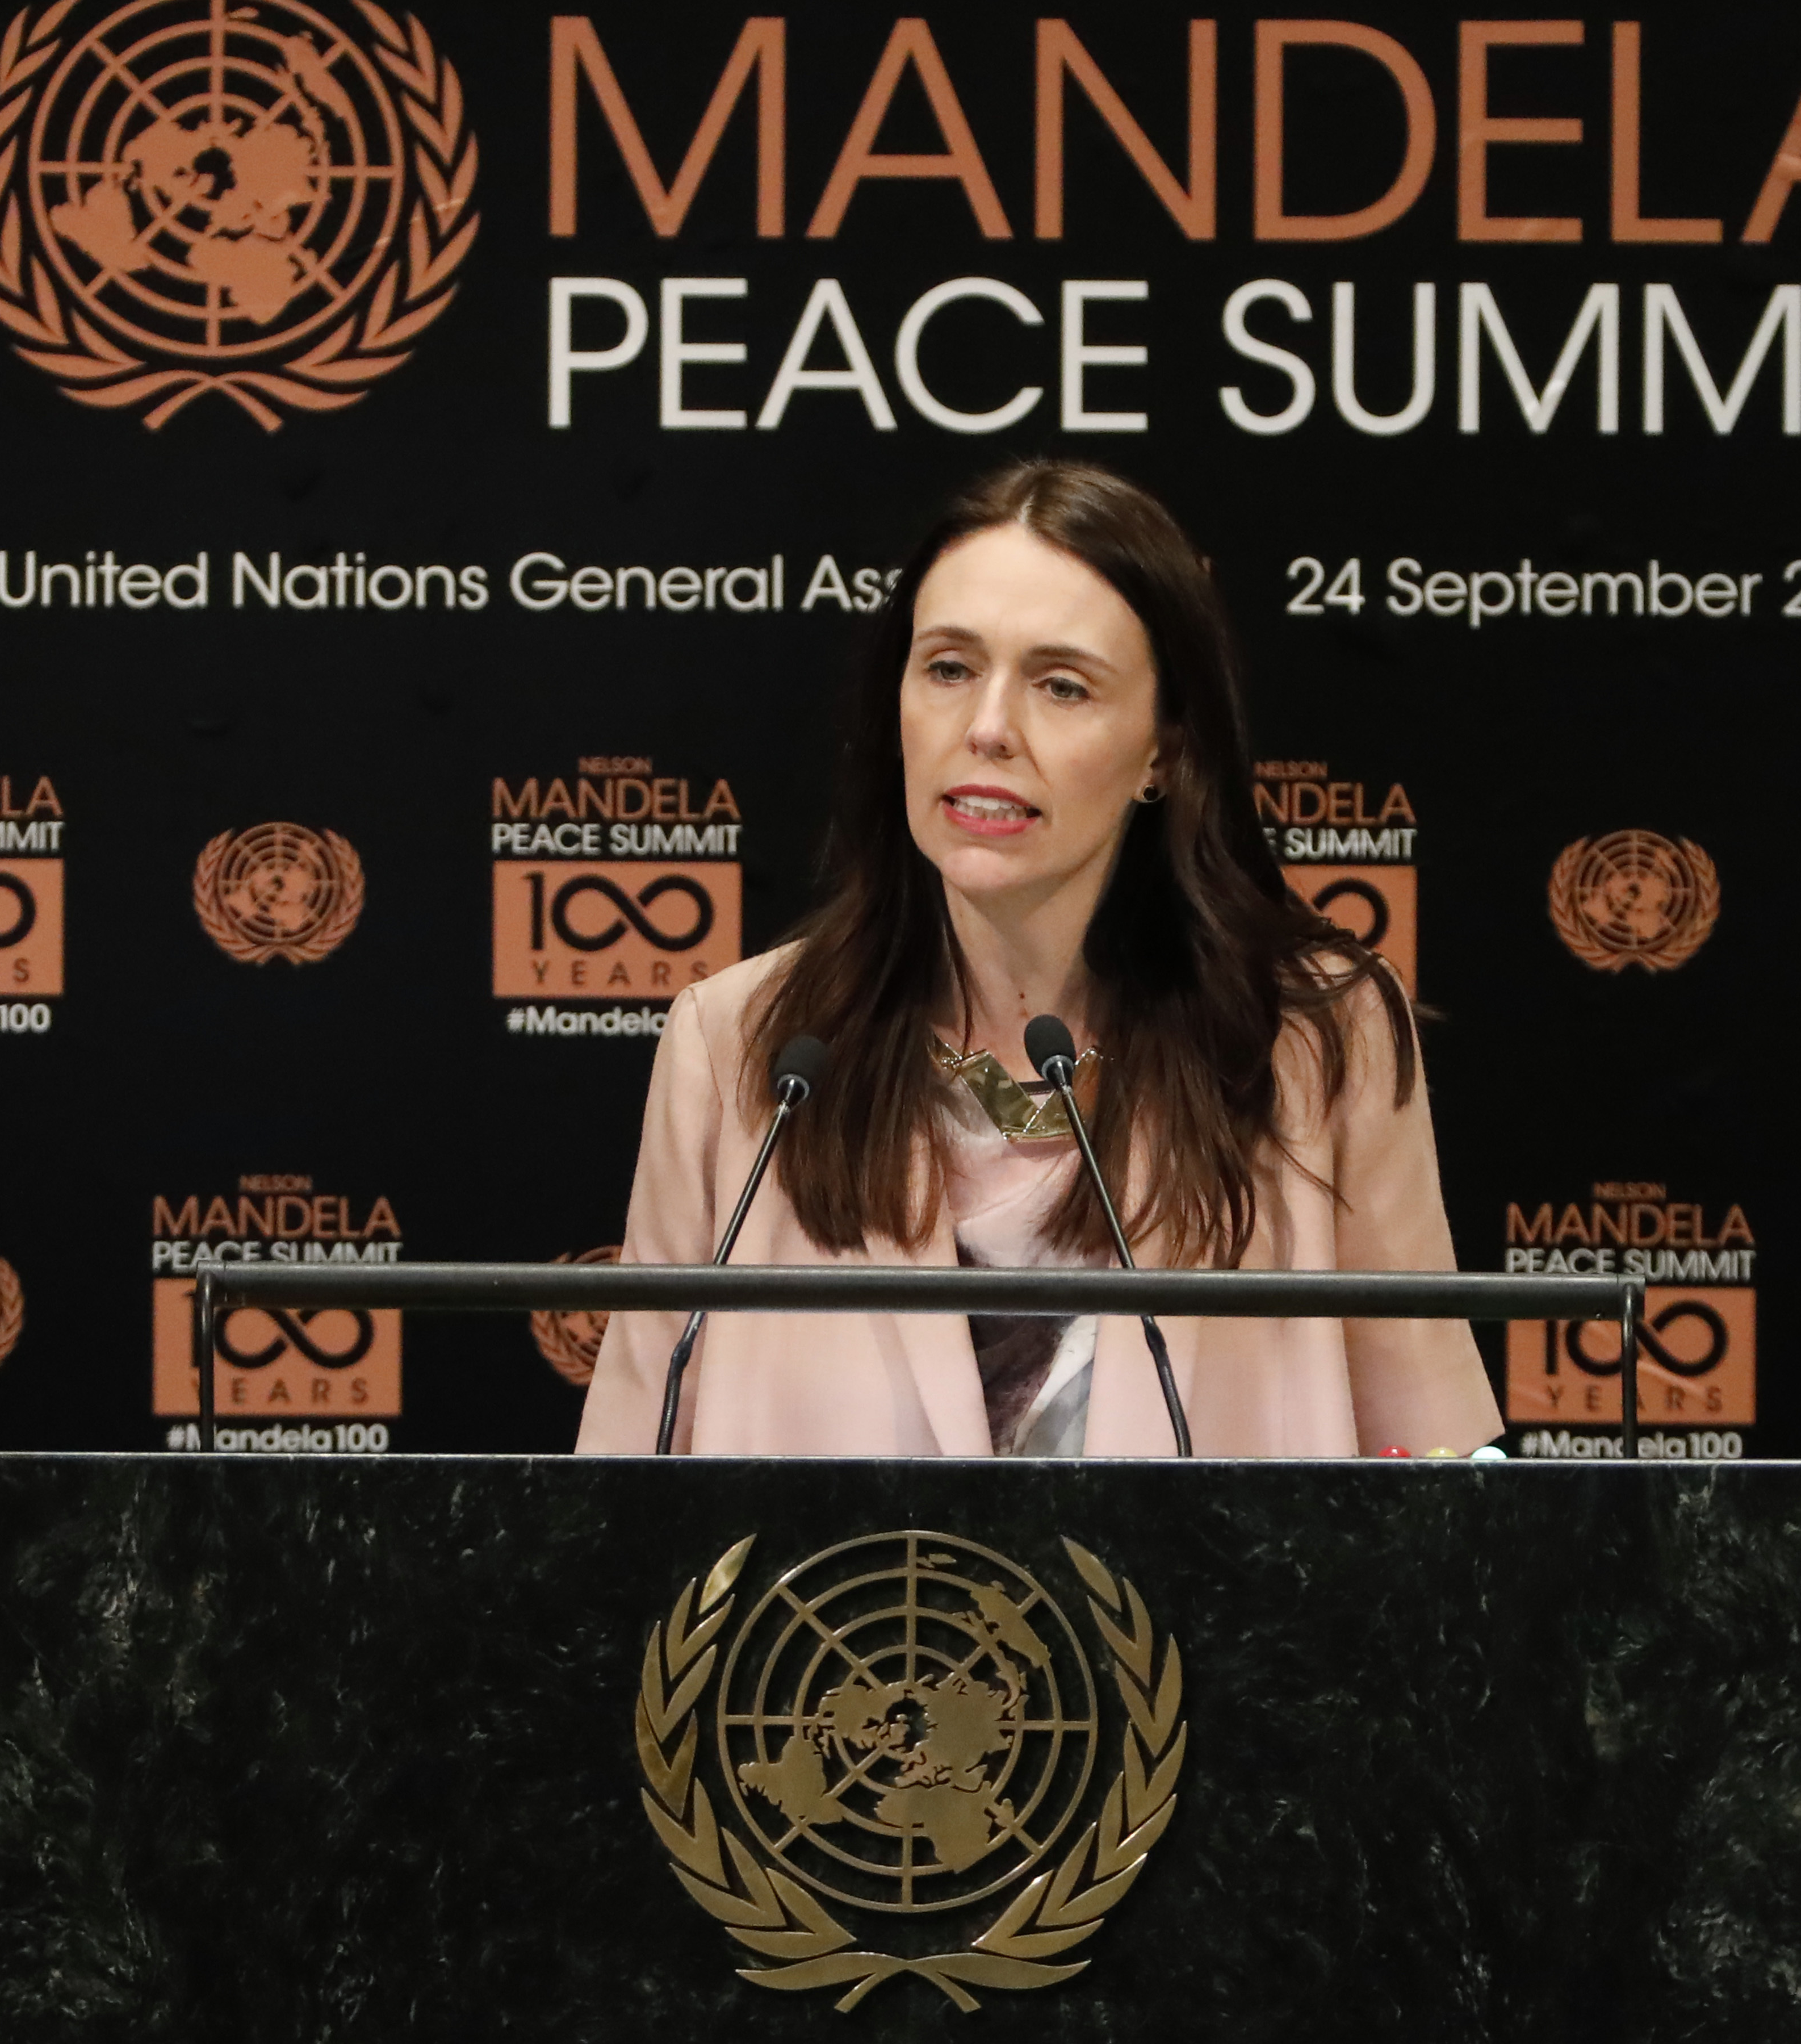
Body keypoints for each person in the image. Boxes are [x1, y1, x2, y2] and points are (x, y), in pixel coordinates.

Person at [574, 461, 1501, 1457]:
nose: (987, 728)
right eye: (949, 668)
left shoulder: (1316, 1036)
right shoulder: (742, 1044)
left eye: (1062, 686)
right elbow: (625, 1495)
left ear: (1164, 752)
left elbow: (1440, 1483)